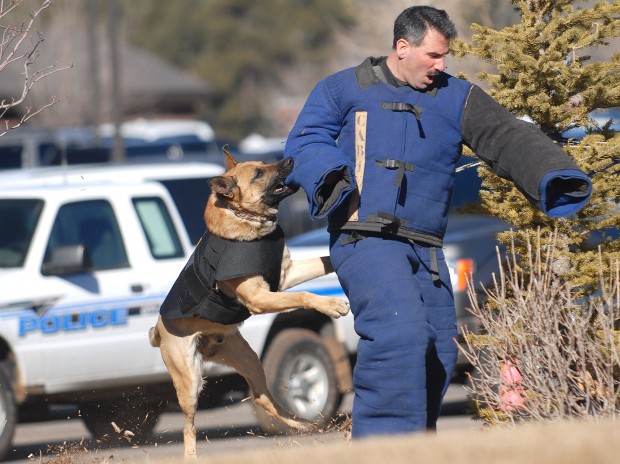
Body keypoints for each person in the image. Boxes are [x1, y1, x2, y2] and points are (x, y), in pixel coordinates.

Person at [283, 5, 592, 438]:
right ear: (402, 47)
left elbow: (504, 135)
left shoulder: (456, 96)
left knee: (440, 351)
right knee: (399, 332)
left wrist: (550, 174)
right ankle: (383, 451)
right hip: (364, 239)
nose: (441, 66)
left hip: (426, 247)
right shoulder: (343, 88)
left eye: (445, 56)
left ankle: (418, 447)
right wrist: (332, 178)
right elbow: (305, 139)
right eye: (433, 56)